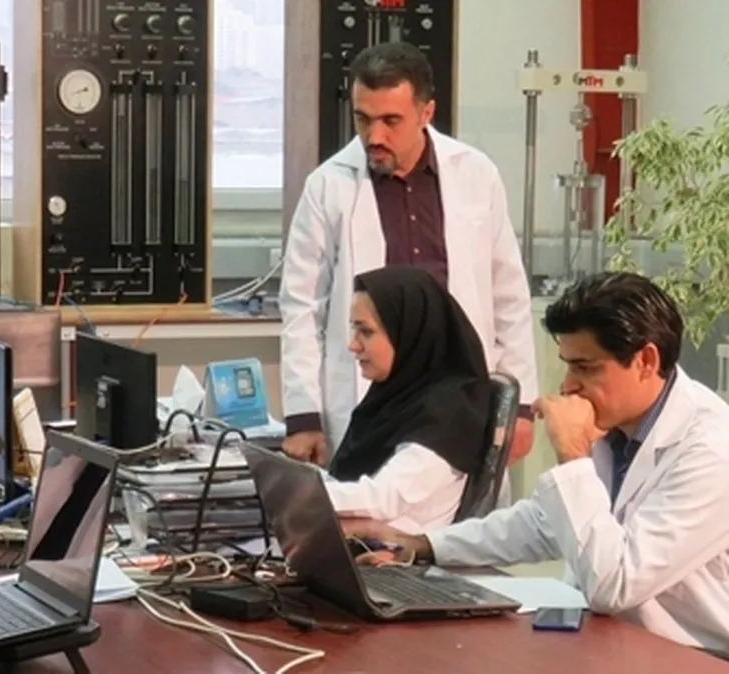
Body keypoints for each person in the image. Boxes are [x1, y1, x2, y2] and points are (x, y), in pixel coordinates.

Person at [348, 272, 729, 652]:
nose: (567, 385)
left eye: (585, 367)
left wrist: (573, 455)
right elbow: (542, 523)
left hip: (698, 657)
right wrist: (424, 545)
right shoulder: (618, 428)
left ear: (646, 360)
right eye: (568, 365)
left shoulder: (712, 450)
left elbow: (615, 587)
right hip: (617, 641)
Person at [278, 41, 537, 467]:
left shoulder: (476, 174)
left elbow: (508, 293)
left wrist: (521, 405)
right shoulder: (328, 186)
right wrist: (303, 416)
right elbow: (302, 307)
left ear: (426, 112)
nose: (374, 137)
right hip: (370, 392)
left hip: (458, 392)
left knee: (464, 506)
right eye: (363, 119)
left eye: (390, 121)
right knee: (368, 503)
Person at [324, 266, 495, 533]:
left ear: (408, 332)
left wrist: (298, 492)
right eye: (354, 330)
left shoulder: (448, 414)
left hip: (400, 554)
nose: (353, 344)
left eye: (366, 332)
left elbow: (383, 500)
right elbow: (345, 480)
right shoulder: (396, 397)